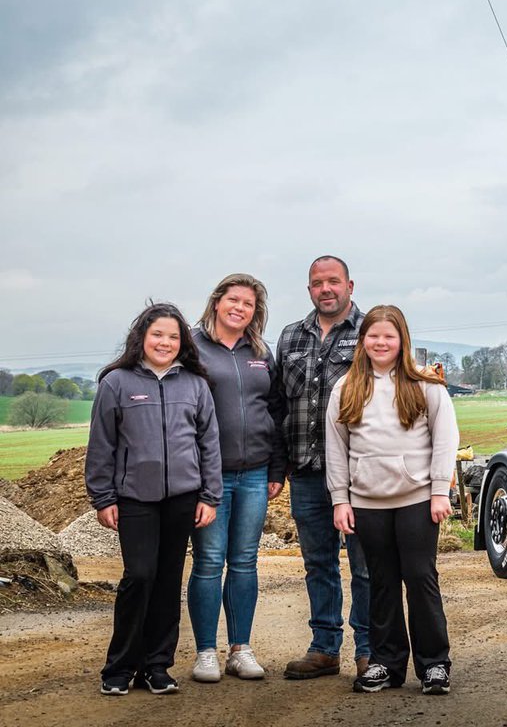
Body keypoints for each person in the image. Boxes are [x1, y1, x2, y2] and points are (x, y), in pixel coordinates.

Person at [85, 303, 222, 696]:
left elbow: (209, 442)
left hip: (183, 498)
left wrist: (209, 495)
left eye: (173, 336)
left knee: (166, 583)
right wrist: (103, 497)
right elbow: (101, 445)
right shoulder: (117, 383)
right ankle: (119, 667)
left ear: (183, 343)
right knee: (139, 577)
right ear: (141, 338)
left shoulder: (195, 384)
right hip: (134, 500)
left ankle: (157, 666)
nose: (165, 342)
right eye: (157, 335)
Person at [326, 305, 457, 694]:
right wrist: (340, 499)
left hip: (417, 498)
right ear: (362, 341)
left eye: (389, 336)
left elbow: (445, 439)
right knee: (380, 582)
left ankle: (434, 665)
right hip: (367, 502)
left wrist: (438, 492)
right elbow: (337, 447)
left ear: (402, 340)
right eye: (373, 336)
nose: (380, 342)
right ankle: (386, 663)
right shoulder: (346, 387)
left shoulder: (425, 385)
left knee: (420, 578)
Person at [187, 274, 287, 682]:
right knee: (209, 561)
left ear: (255, 312)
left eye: (248, 304)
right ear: (216, 302)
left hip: (256, 473)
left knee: (245, 561)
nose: (239, 308)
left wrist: (277, 468)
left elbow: (276, 410)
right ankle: (205, 651)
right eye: (233, 300)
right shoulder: (191, 348)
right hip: (208, 477)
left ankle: (240, 649)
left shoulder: (260, 352)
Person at [276, 256, 371, 678]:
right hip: (307, 472)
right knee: (318, 563)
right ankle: (324, 647)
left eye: (333, 281)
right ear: (309, 289)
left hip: (359, 474)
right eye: (317, 283)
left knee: (366, 566)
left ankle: (369, 648)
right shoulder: (290, 336)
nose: (326, 289)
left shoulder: (372, 331)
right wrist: (280, 464)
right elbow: (278, 404)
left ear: (350, 285)